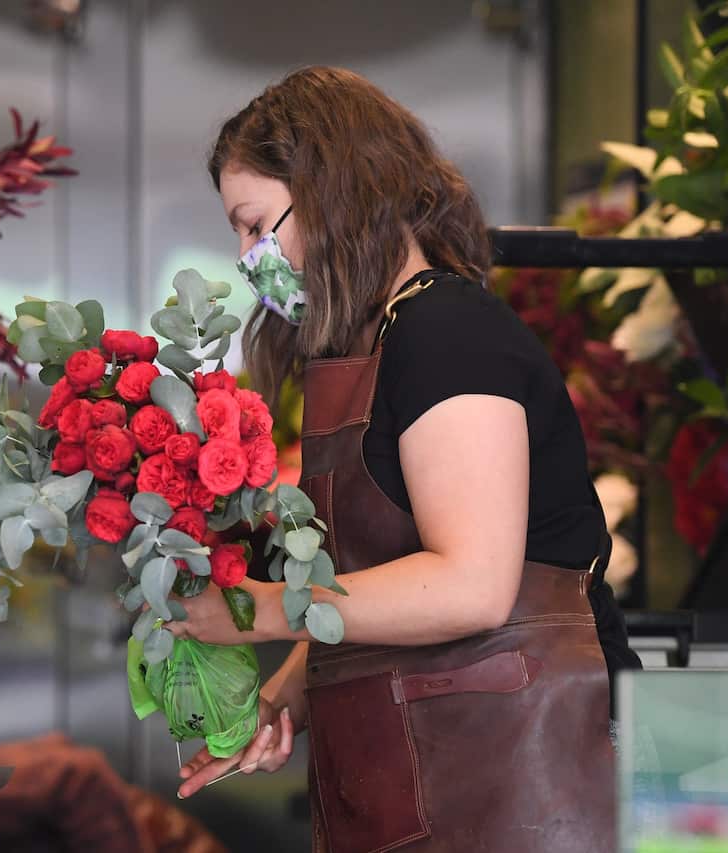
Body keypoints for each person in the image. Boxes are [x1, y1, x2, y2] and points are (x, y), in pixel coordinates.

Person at [165, 66, 640, 852]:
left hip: (536, 782)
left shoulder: (447, 334)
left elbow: (471, 583)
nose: (250, 257)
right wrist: (289, 695)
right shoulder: (378, 344)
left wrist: (258, 610)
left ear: (330, 193)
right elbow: (391, 571)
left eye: (255, 225)